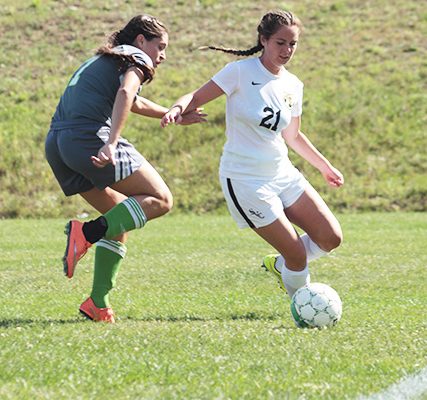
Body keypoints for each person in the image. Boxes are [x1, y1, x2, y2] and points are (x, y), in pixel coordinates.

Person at [161, 10, 343, 299]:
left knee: (331, 237)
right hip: (245, 180)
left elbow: (293, 135)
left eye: (292, 44)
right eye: (280, 43)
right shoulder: (239, 72)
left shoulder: (294, 85)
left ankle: (282, 265)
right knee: (297, 253)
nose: (287, 50)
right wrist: (176, 109)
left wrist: (324, 166)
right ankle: (302, 309)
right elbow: (194, 97)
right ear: (264, 40)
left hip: (282, 174)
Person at [45, 14, 206, 323]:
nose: (162, 56)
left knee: (119, 219)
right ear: (141, 41)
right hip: (89, 139)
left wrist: (173, 113)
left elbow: (132, 101)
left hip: (58, 143)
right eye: (160, 46)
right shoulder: (137, 57)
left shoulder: (108, 58)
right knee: (160, 199)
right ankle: (86, 233)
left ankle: (98, 303)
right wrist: (111, 142)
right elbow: (125, 94)